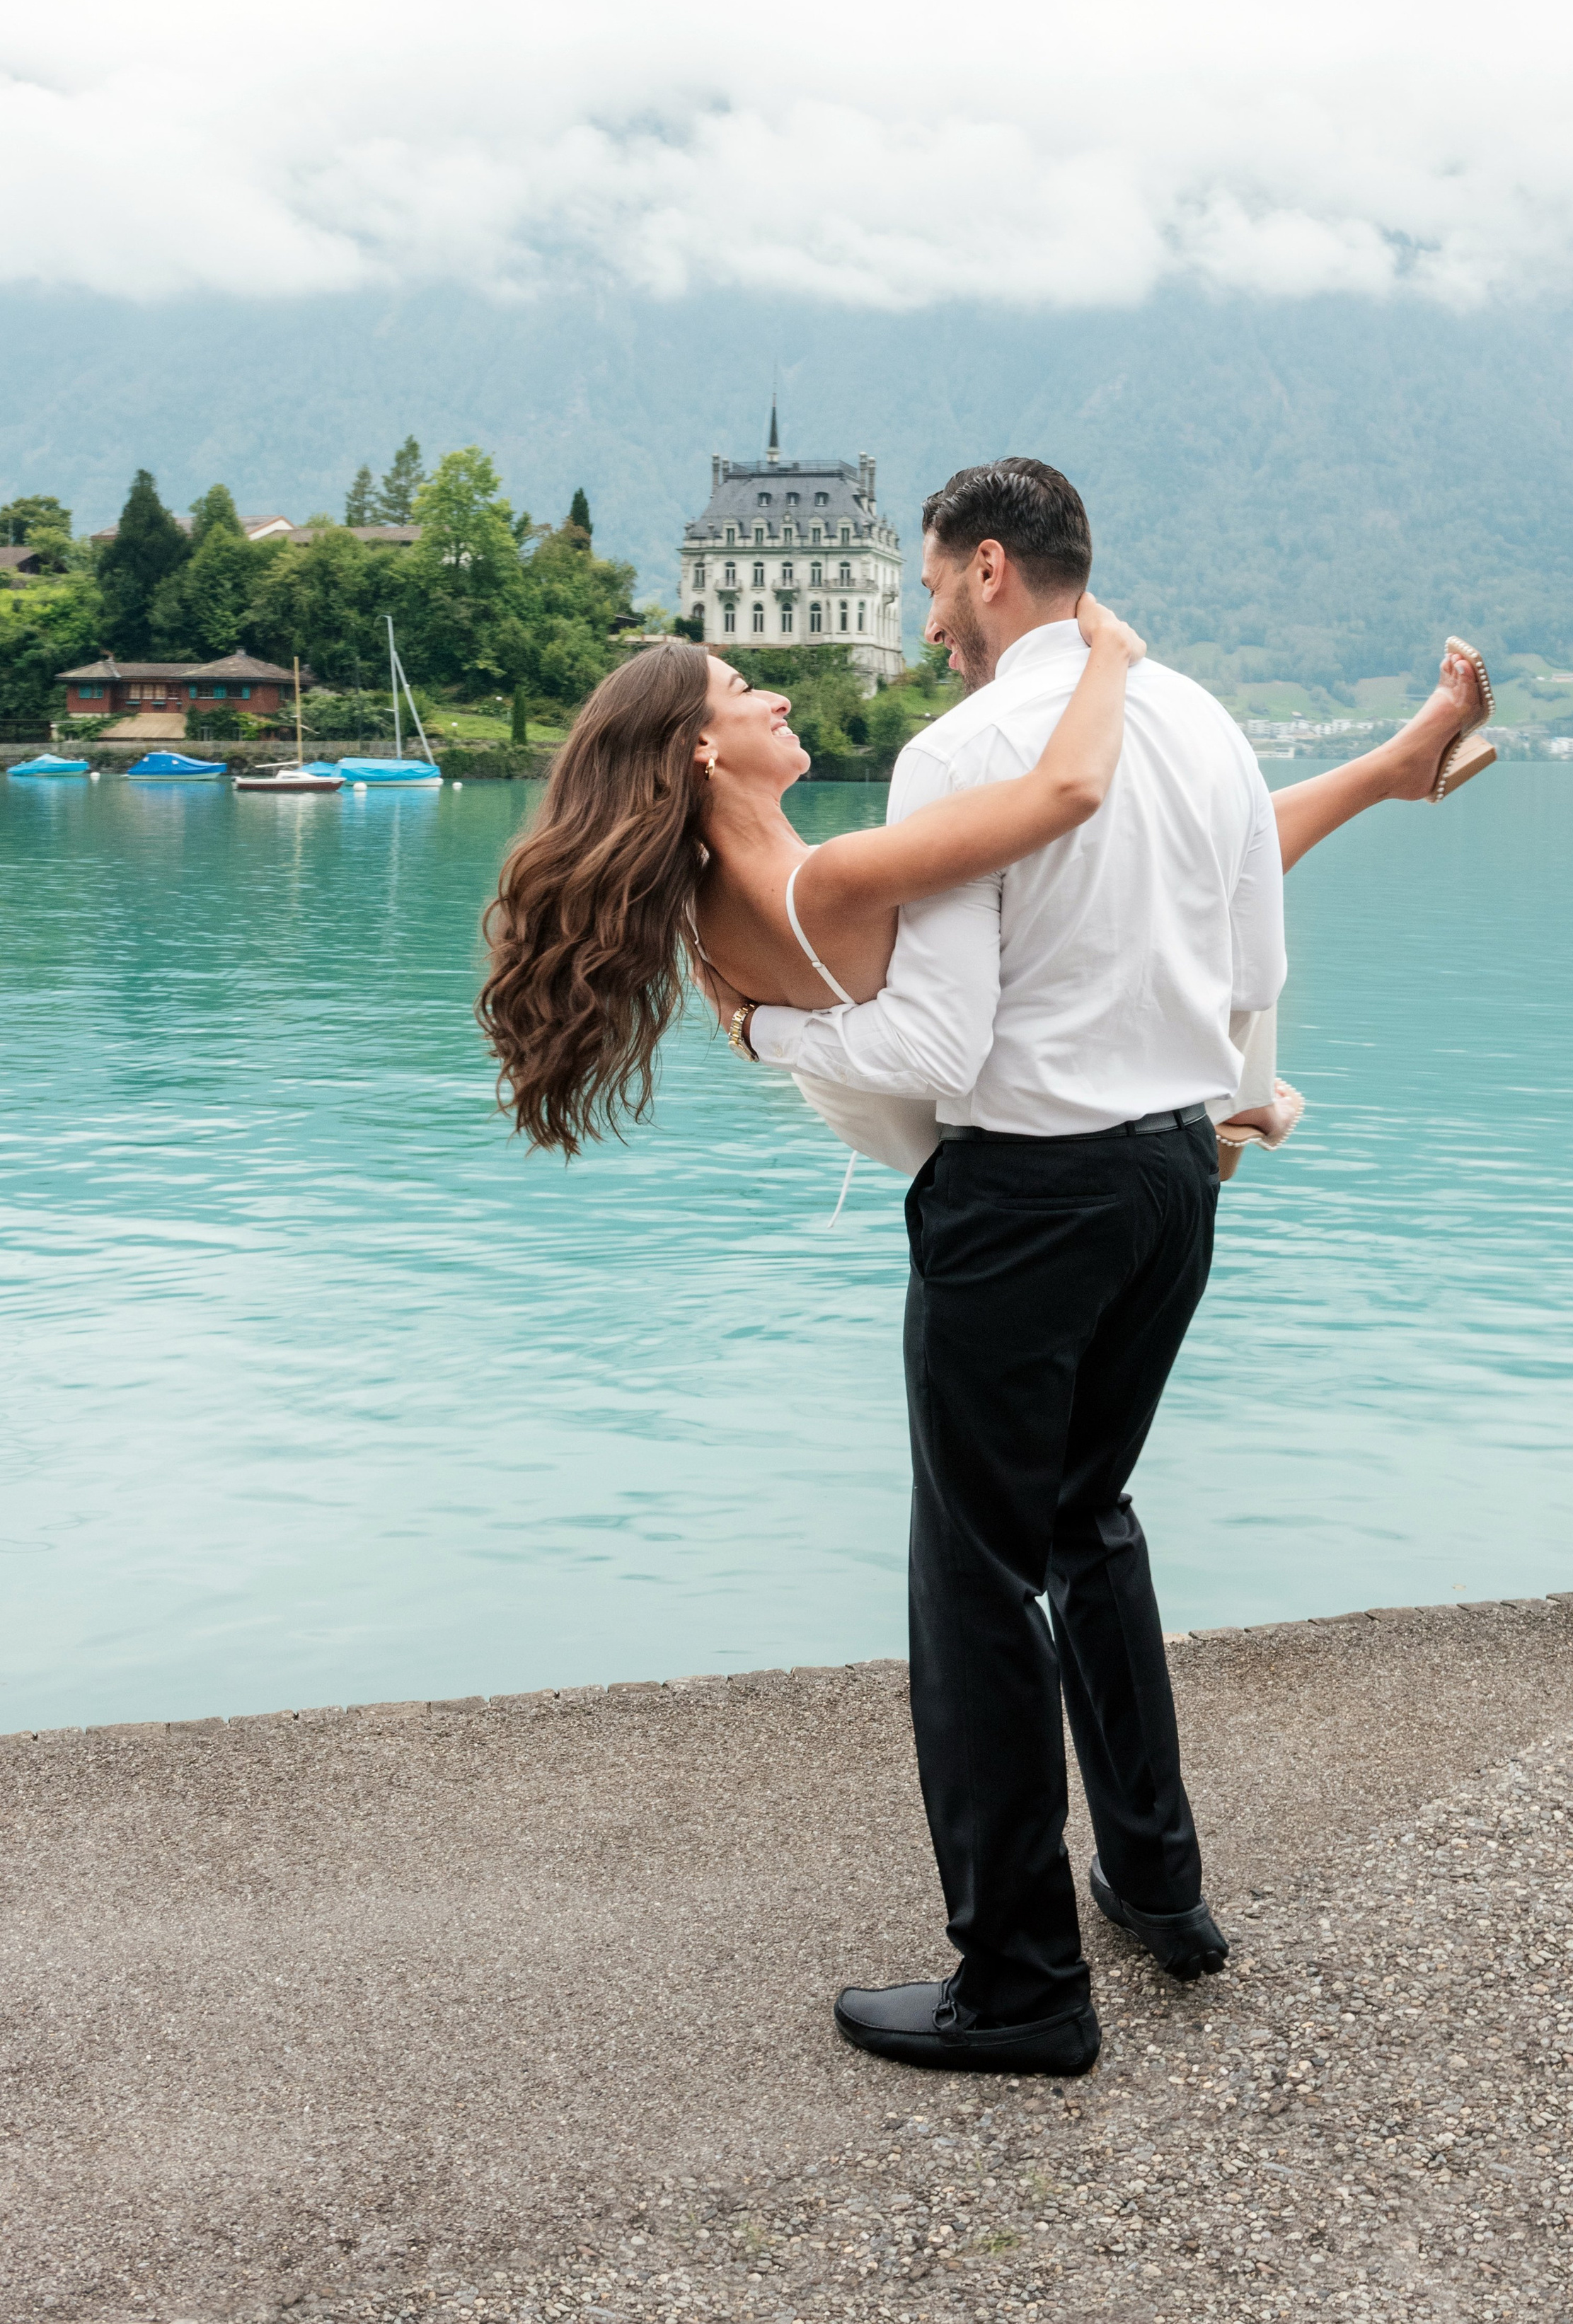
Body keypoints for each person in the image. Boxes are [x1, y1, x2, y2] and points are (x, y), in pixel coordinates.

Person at [478, 456, 1495, 2079]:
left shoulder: (957, 752)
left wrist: (769, 1029)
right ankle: (1156, 1886)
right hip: (1175, 1168)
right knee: (1088, 1521)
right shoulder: (1194, 714)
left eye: (931, 582)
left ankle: (1020, 1984)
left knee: (971, 1576)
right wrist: (1234, 1071)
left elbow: (942, 1036)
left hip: (1030, 1196)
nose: (918, 614)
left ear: (985, 568)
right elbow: (1239, 942)